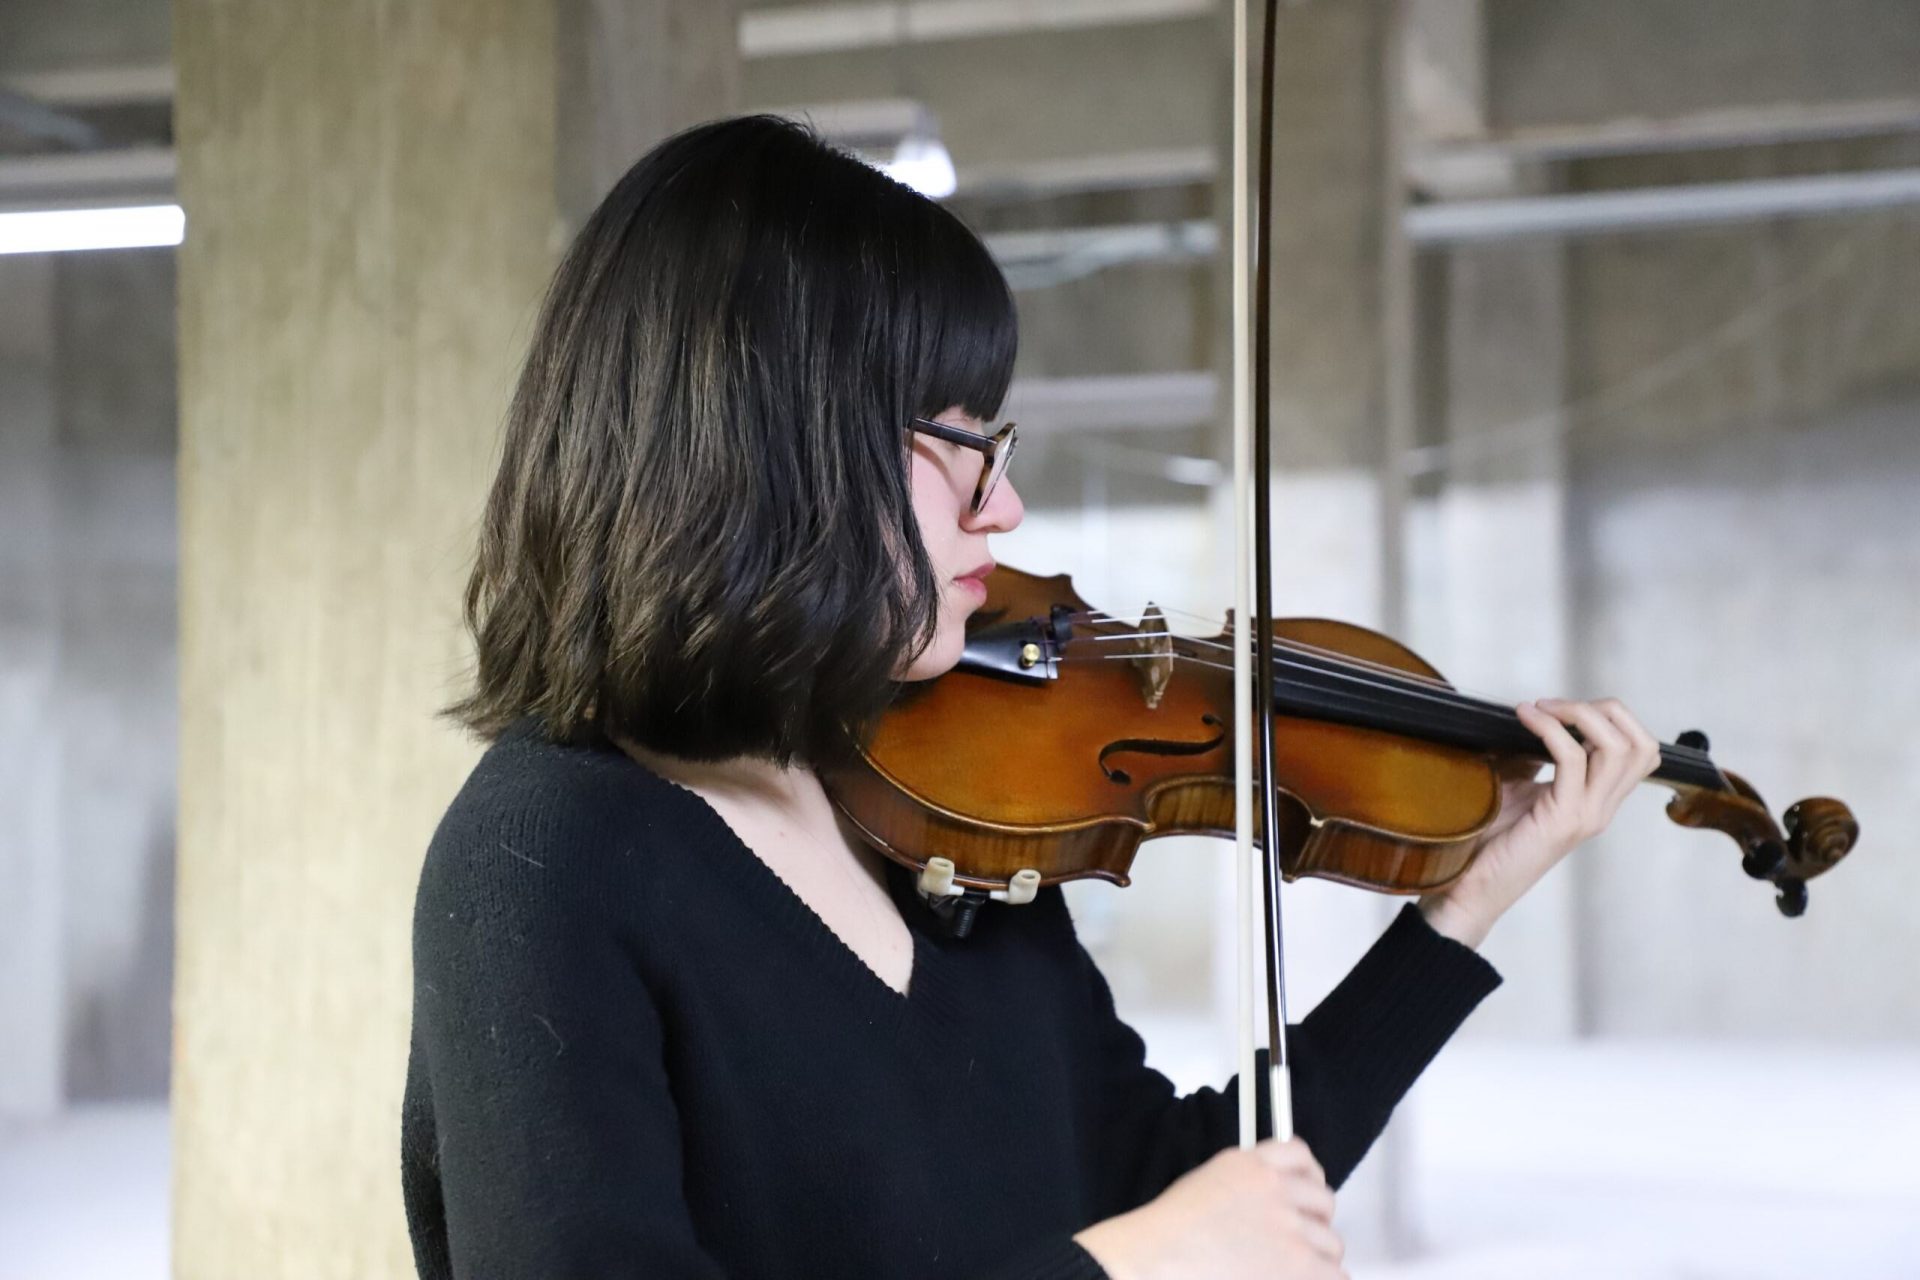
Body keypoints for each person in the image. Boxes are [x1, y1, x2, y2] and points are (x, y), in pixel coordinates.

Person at [399, 114, 1661, 1280]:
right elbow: (1150, 1240)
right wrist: (1126, 1265)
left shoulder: (945, 804)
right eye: (965, 443)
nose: (1003, 507)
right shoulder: (542, 862)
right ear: (775, 439)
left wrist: (1460, 909)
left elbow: (1176, 1186)